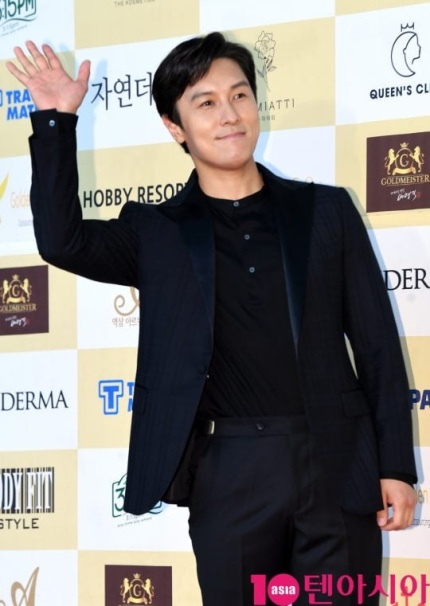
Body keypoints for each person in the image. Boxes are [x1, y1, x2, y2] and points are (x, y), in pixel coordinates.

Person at [7, 32, 417, 606]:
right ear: (175, 127)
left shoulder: (325, 210)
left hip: (335, 463)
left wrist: (396, 465)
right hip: (229, 473)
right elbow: (62, 242)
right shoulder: (157, 232)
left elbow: (376, 346)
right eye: (205, 103)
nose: (229, 114)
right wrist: (56, 122)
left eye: (239, 95)